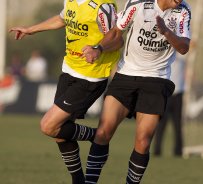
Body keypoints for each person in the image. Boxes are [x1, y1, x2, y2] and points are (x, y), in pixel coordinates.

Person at [9, 0, 121, 183]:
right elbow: (62, 19)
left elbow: (117, 39)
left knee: (49, 126)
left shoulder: (103, 6)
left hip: (90, 77)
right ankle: (78, 180)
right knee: (59, 134)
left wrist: (98, 49)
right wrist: (31, 29)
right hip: (68, 71)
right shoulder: (71, 1)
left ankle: (98, 136)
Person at [81, 0, 191, 183]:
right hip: (126, 75)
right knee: (103, 133)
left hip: (157, 80)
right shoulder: (138, 3)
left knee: (143, 141)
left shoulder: (183, 11)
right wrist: (98, 48)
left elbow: (184, 47)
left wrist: (165, 31)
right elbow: (117, 32)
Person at [154, 52, 187, 157]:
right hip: (165, 92)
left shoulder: (182, 52)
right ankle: (157, 150)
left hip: (178, 93)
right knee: (161, 123)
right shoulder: (166, 52)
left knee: (178, 124)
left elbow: (188, 48)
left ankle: (178, 151)